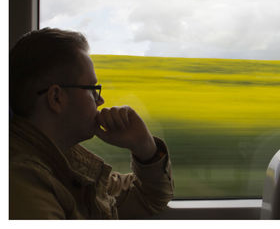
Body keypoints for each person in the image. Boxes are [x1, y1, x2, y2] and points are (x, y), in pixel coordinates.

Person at [9, 28, 174, 219]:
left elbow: (150, 198)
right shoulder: (22, 183)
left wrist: (145, 148)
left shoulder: (67, 164)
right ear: (56, 98)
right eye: (92, 89)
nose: (100, 100)